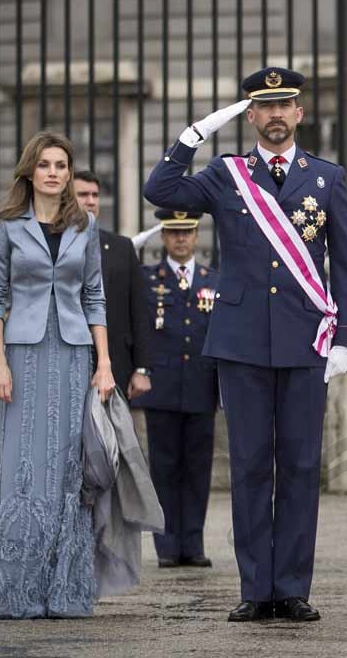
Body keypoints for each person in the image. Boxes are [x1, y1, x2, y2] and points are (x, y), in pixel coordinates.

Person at [144, 67, 347, 622]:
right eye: (265, 107)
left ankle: (291, 587)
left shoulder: (325, 177)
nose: (277, 114)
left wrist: (346, 339)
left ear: (300, 112)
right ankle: (255, 586)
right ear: (251, 114)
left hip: (304, 339)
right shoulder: (226, 174)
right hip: (240, 343)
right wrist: (196, 134)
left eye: (286, 104)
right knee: (249, 466)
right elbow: (159, 191)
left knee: (300, 463)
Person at [0, 131, 116, 619]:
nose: (54, 172)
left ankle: (65, 592)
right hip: (22, 357)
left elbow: (94, 296)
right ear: (29, 172)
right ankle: (15, 593)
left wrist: (104, 363)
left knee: (66, 472)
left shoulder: (86, 226)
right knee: (23, 470)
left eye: (61, 164)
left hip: (75, 356)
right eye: (44, 164)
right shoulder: (7, 226)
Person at [133, 209, 219, 569]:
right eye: (173, 232)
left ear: (196, 235)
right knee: (164, 468)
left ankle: (193, 544)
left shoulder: (214, 279)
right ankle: (167, 546)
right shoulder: (148, 278)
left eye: (187, 231)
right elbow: (139, 329)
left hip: (201, 385)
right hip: (163, 386)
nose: (180, 238)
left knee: (198, 469)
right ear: (163, 237)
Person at [74, 170, 152, 399]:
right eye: (83, 195)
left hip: (116, 365)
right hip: (69, 361)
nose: (91, 201)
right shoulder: (56, 245)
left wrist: (142, 368)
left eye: (95, 195)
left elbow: (138, 309)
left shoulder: (121, 247)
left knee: (110, 434)